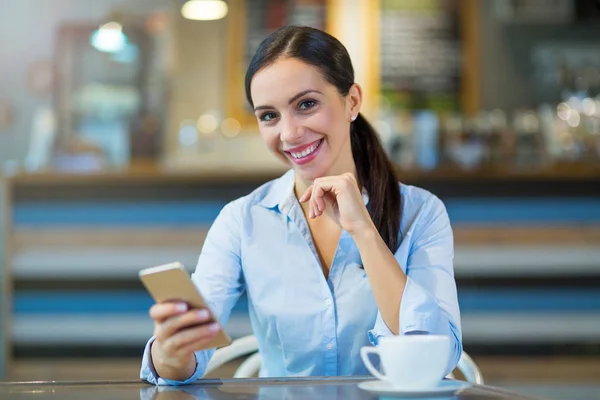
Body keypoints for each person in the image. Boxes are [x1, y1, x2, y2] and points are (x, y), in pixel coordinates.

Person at [140, 25, 462, 385]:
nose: (289, 133)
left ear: (352, 101)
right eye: (268, 116)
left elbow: (434, 359)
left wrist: (365, 233)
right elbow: (184, 363)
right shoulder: (242, 219)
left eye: (306, 105)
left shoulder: (421, 213)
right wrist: (171, 352)